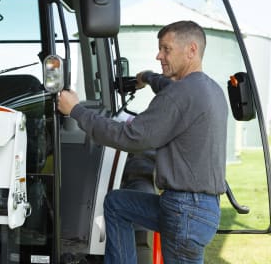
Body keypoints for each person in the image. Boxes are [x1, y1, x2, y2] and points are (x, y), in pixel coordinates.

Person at [57, 20, 228, 263]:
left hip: (184, 212)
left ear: (191, 50)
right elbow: (168, 87)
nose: (159, 55)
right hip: (199, 208)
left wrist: (76, 110)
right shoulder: (209, 89)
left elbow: (130, 137)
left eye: (166, 49)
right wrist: (147, 77)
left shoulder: (179, 94)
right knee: (117, 204)